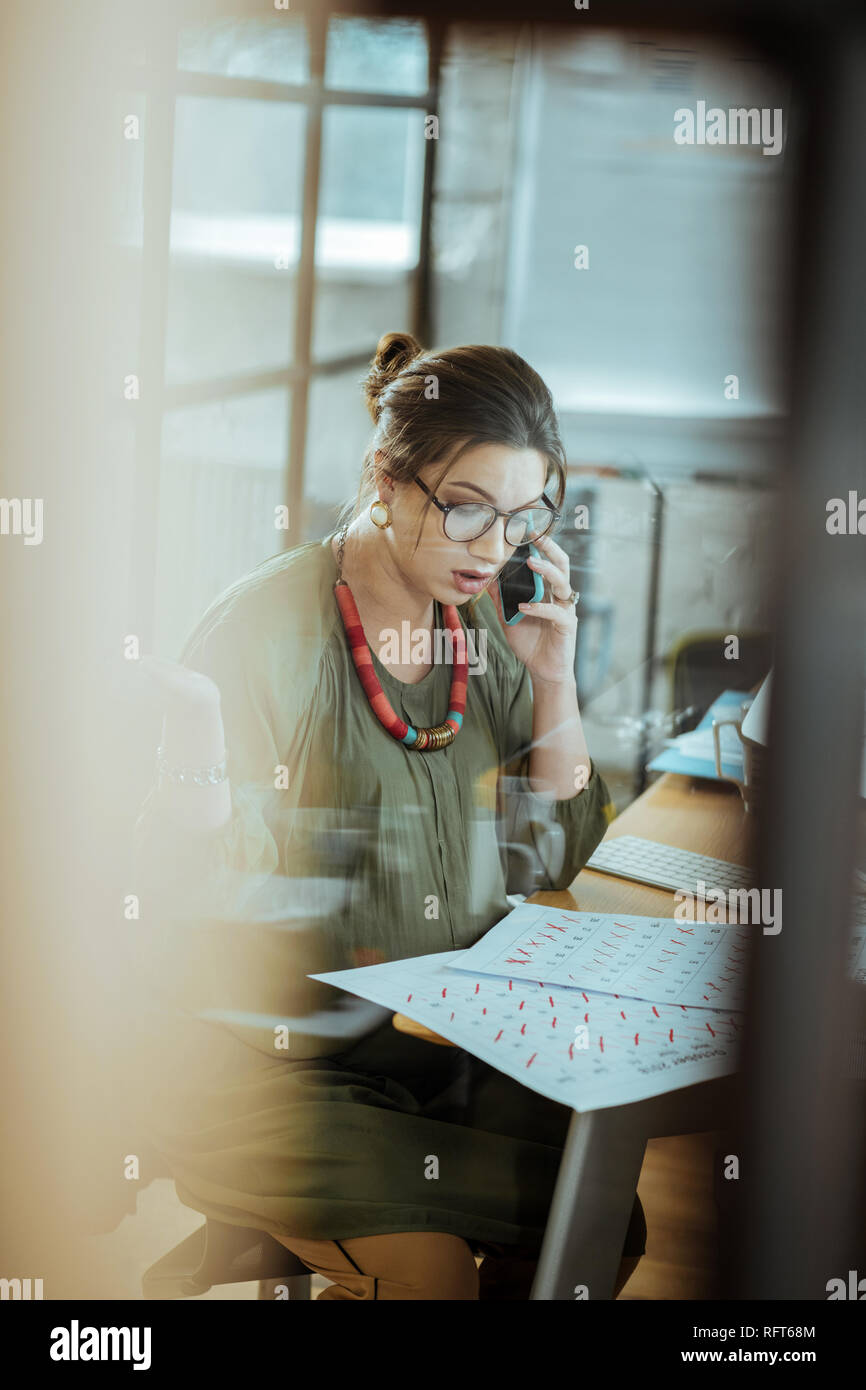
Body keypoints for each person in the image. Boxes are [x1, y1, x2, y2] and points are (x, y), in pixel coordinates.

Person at [132, 331, 647, 1300]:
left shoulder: (482, 617)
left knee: (599, 1212)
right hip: (256, 1060)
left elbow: (553, 857)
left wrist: (551, 681)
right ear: (384, 476)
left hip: (417, 1046)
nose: (492, 548)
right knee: (429, 1270)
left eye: (519, 517)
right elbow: (183, 897)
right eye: (463, 510)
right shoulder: (265, 630)